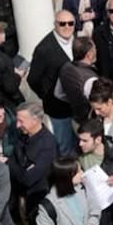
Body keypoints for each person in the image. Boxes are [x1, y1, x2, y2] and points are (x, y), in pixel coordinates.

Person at [12, 104, 59, 225]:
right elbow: (15, 161)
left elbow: (28, 177)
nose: (17, 125)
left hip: (43, 201)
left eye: (21, 120)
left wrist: (13, 167)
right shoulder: (23, 138)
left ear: (36, 120)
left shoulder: (47, 143)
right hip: (29, 202)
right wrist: (19, 167)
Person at [28, 10, 77, 154]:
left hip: (77, 107)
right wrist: (48, 95)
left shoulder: (77, 41)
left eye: (70, 23)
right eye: (62, 24)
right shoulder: (44, 48)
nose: (67, 27)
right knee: (64, 147)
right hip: (59, 110)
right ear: (55, 24)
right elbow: (33, 78)